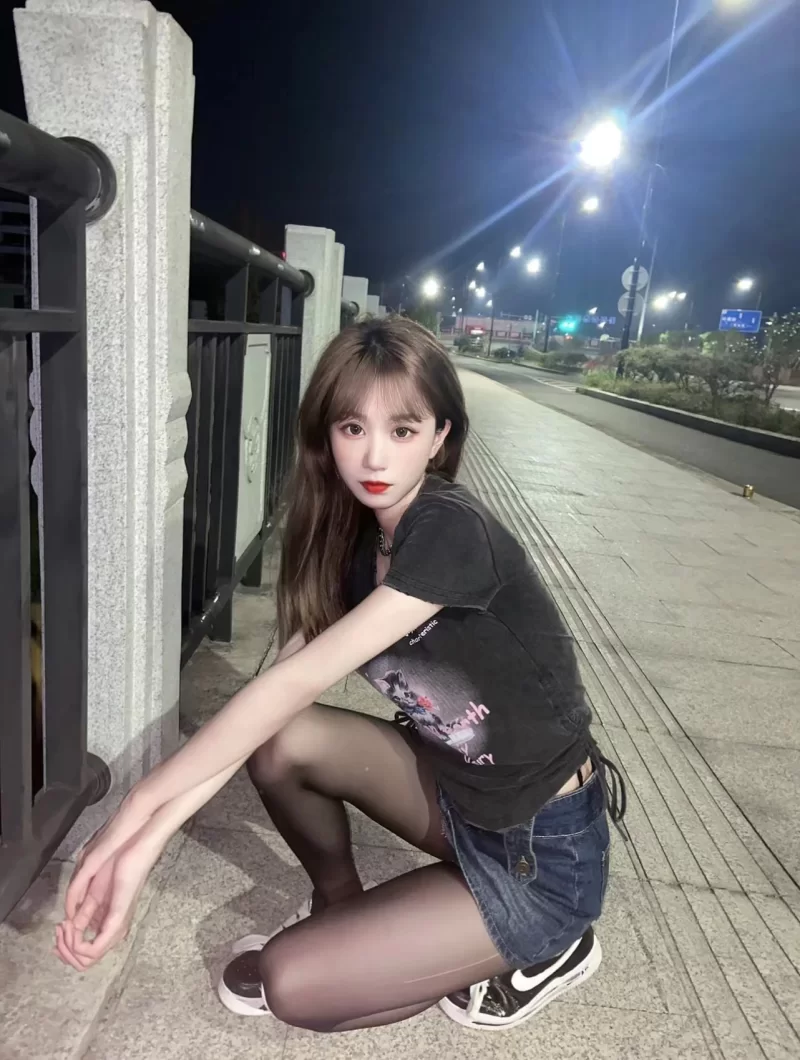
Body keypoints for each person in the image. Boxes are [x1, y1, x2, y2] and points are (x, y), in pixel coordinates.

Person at [55, 316, 626, 1033]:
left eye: (403, 430)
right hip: (455, 794)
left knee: (293, 985)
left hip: (540, 852)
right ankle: (340, 906)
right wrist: (140, 842)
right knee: (281, 739)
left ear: (441, 437)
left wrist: (132, 818)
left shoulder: (451, 531)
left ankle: (552, 947)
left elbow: (292, 683)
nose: (374, 456)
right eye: (353, 428)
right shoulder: (350, 537)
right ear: (326, 435)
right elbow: (270, 705)